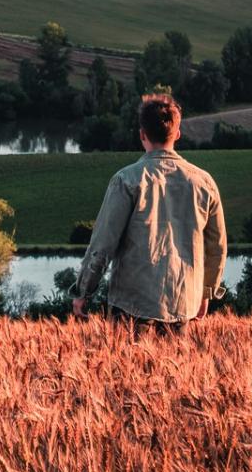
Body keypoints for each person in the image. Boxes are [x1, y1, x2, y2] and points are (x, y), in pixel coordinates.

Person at [72, 93, 228, 330]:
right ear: (177, 134)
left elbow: (103, 244)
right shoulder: (204, 183)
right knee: (175, 368)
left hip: (131, 306)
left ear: (142, 134)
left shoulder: (126, 180)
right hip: (182, 304)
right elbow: (216, 248)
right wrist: (205, 293)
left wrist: (84, 291)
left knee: (128, 369)